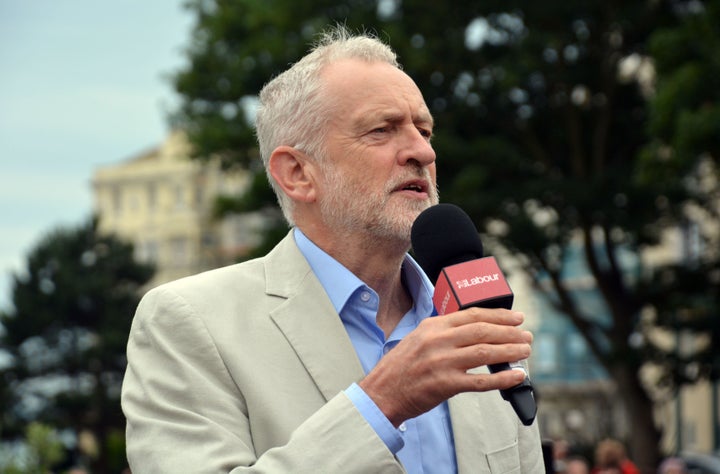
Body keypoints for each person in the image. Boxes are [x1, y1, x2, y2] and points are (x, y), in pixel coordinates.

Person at [121, 25, 542, 473]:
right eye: (383, 130)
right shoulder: (189, 321)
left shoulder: (477, 324)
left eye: (424, 130)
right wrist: (380, 404)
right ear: (298, 173)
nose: (421, 151)